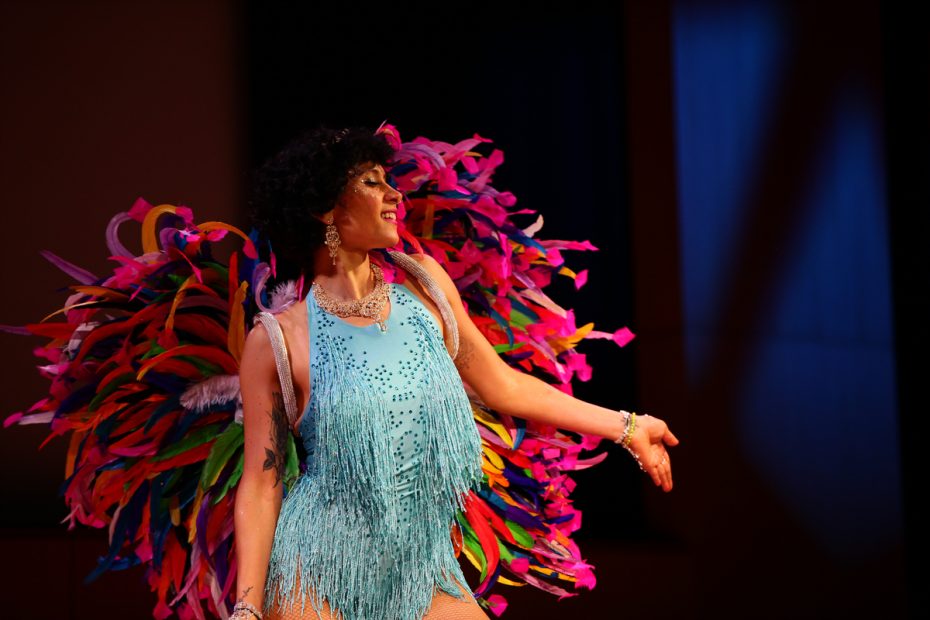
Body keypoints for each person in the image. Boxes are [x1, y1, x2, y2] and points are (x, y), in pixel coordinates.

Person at [231, 124, 680, 620]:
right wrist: (247, 610)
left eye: (388, 180)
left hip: (424, 570)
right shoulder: (279, 339)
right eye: (372, 181)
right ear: (325, 209)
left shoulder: (426, 289)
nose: (393, 193)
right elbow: (262, 481)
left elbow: (504, 386)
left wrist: (628, 427)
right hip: (317, 572)